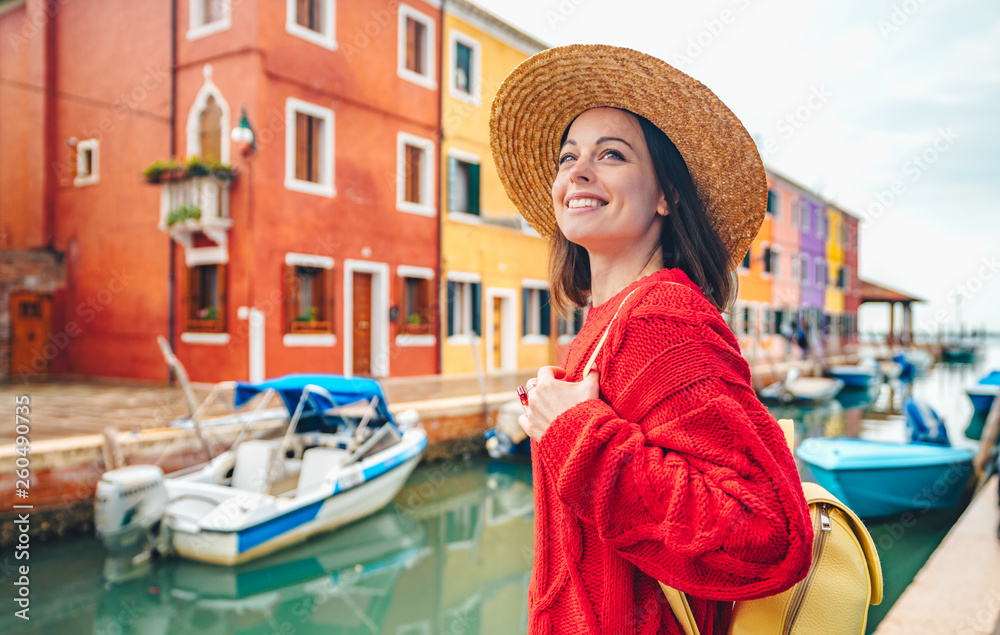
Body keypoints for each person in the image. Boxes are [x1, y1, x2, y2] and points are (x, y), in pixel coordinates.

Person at [490, 44, 813, 634]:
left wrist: (577, 433)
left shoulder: (664, 321)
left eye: (611, 154)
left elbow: (770, 537)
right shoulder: (606, 323)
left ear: (667, 195)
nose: (578, 172)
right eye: (569, 157)